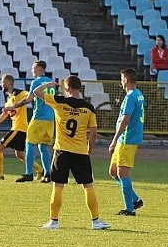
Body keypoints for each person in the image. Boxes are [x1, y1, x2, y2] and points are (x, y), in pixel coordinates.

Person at [32, 75, 111, 230]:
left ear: (67, 88)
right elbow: (93, 133)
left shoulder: (59, 101)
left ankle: (54, 222)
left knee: (58, 186)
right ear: (79, 88)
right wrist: (89, 151)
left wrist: (51, 84)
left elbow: (36, 91)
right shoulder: (89, 108)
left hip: (62, 150)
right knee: (88, 186)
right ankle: (96, 221)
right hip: (81, 152)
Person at [3, 60, 55, 183]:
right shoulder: (51, 82)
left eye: (33, 68)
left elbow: (28, 100)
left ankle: (29, 173)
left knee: (29, 143)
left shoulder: (36, 82)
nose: (31, 70)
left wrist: (12, 107)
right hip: (50, 119)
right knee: (43, 147)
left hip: (39, 118)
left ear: (38, 69)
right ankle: (48, 174)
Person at [0, 74, 41, 180]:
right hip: (20, 129)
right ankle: (40, 170)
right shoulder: (9, 98)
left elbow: (30, 96)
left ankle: (0, 174)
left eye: (2, 82)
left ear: (8, 83)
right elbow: (5, 114)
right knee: (20, 154)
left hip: (18, 129)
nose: (1, 84)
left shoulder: (20, 94)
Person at [108, 68, 145, 216]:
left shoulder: (131, 97)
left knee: (122, 174)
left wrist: (114, 139)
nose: (121, 81)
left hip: (126, 140)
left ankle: (129, 209)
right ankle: (135, 200)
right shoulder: (139, 95)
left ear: (126, 80)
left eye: (121, 78)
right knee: (113, 172)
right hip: (129, 139)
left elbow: (126, 119)